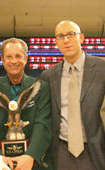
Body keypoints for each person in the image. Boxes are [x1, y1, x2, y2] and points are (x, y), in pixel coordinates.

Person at [40, 20, 105, 170]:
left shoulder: (102, 69)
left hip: (96, 150)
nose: (66, 40)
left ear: (81, 38)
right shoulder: (49, 76)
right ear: (56, 42)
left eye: (71, 34)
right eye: (60, 36)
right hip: (62, 152)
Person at [0, 37, 52, 170]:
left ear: (25, 58)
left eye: (18, 56)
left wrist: (30, 156)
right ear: (2, 60)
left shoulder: (41, 87)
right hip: (2, 161)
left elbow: (42, 123)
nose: (14, 61)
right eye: (9, 57)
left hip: (32, 162)